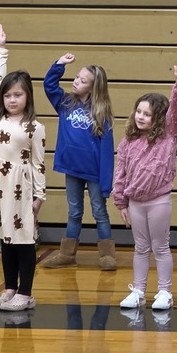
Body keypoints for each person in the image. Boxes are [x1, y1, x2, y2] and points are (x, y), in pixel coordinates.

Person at [0, 25, 47, 313]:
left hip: (21, 188)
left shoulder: (35, 127)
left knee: (23, 239)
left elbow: (38, 163)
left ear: (27, 96)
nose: (12, 99)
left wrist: (39, 196)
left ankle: (26, 292)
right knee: (5, 237)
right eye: (8, 95)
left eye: (18, 95)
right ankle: (9, 288)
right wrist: (0, 50)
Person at [114, 58, 177, 312]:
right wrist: (120, 201)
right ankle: (138, 290)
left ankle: (165, 291)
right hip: (135, 202)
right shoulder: (127, 141)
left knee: (160, 246)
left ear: (158, 118)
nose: (141, 117)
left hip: (158, 201)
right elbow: (120, 173)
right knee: (140, 247)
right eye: (139, 112)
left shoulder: (168, 133)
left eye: (147, 114)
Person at [43, 53, 116, 270]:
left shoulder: (102, 114)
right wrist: (59, 65)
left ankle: (106, 255)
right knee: (74, 212)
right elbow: (49, 85)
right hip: (72, 169)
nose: (76, 82)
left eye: (83, 81)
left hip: (93, 173)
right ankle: (67, 254)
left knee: (99, 212)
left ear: (94, 88)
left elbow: (106, 152)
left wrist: (105, 185)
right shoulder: (65, 103)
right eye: (76, 77)